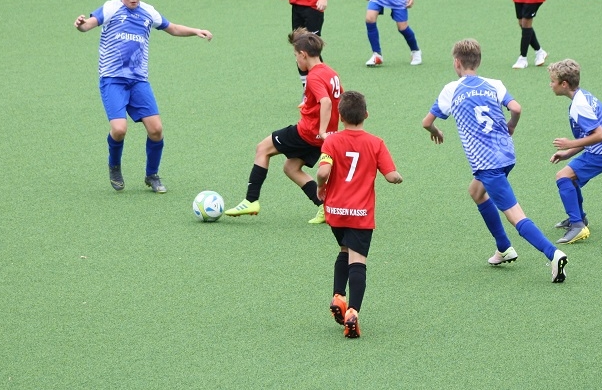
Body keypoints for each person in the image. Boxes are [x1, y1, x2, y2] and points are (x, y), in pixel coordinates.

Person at [422, 38, 568, 283]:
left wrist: (435, 131)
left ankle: (554, 254)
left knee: (515, 216)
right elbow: (517, 108)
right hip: (506, 154)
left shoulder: (451, 89)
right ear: (478, 61)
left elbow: (427, 122)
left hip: (487, 163)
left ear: (457, 63)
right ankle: (504, 247)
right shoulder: (494, 84)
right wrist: (512, 125)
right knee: (476, 191)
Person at [74, 0, 212, 193]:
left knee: (156, 129)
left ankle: (152, 175)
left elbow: (173, 28)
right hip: (113, 80)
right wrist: (81, 24)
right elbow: (88, 24)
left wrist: (196, 31)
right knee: (119, 129)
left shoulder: (148, 12)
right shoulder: (111, 8)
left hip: (138, 81)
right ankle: (114, 166)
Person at [225, 28, 342, 223]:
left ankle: (250, 200)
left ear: (303, 54)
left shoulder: (313, 76)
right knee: (291, 168)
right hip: (321, 137)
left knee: (262, 149)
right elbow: (337, 99)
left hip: (307, 133)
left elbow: (326, 102)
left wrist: (321, 130)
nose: (296, 60)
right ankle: (324, 206)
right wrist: (311, 108)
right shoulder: (331, 72)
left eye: (296, 56)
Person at [316, 91, 403, 338]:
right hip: (360, 213)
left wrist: (321, 187)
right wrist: (398, 178)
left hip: (335, 211)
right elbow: (390, 175)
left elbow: (323, 172)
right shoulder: (375, 143)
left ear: (340, 116)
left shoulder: (331, 141)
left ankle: (338, 296)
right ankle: (352, 312)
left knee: (344, 249)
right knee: (358, 260)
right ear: (366, 114)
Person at [547, 59, 602, 244]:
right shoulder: (582, 96)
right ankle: (579, 218)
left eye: (552, 81)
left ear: (564, 84)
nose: (550, 85)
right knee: (570, 178)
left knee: (563, 177)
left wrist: (569, 144)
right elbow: (591, 134)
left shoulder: (579, 105)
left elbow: (600, 135)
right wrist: (568, 153)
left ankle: (577, 226)